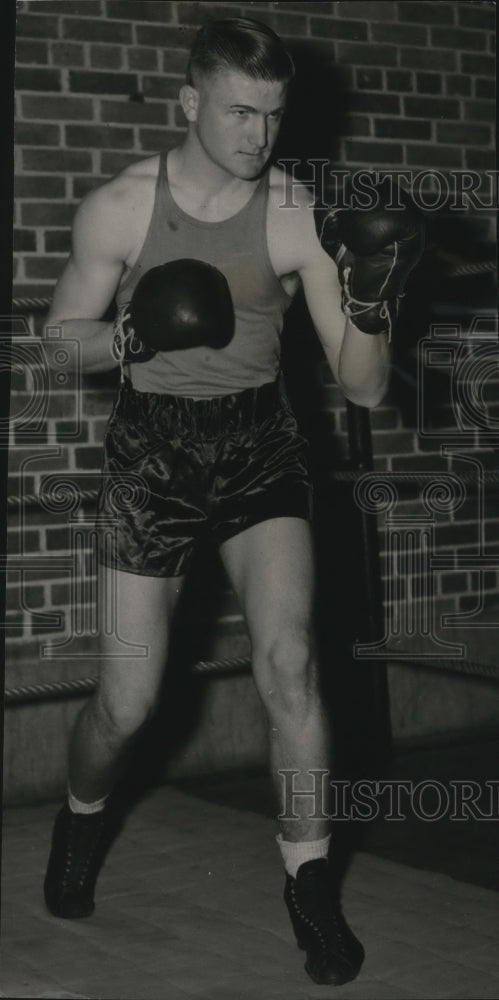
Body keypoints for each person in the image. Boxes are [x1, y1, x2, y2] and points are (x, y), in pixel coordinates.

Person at [42, 17, 421, 987]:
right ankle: (81, 821)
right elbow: (58, 344)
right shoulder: (121, 208)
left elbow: (368, 388)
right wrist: (129, 340)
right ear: (189, 104)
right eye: (240, 112)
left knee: (290, 663)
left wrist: (372, 305)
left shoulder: (297, 214)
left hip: (261, 448)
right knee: (126, 702)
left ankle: (308, 887)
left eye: (274, 115)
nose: (259, 135)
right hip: (151, 455)